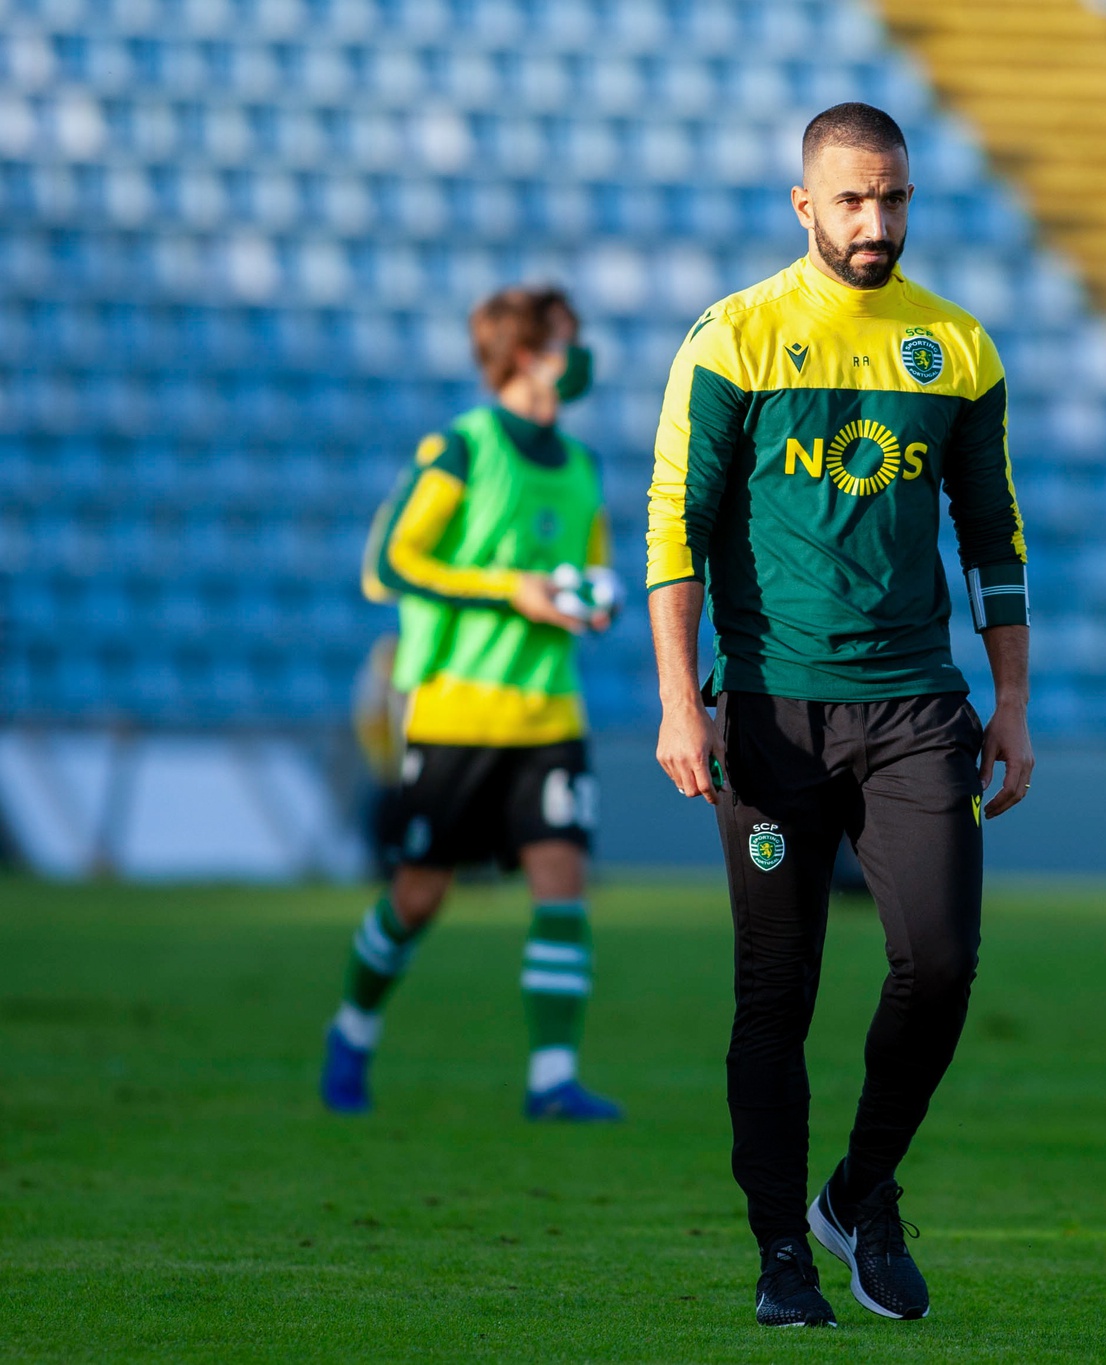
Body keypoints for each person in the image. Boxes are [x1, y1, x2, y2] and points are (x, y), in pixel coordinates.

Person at [646, 102, 1033, 1327]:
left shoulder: (957, 349)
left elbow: (994, 539)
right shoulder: (734, 340)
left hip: (917, 709)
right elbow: (674, 529)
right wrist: (677, 704)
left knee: (942, 965)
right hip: (767, 714)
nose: (878, 223)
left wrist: (1011, 700)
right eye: (854, 201)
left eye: (897, 199)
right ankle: (779, 1257)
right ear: (804, 206)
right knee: (777, 992)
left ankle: (860, 1192)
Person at [320, 284, 624, 1123]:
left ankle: (552, 1080)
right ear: (526, 353)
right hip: (457, 710)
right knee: (420, 893)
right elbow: (388, 563)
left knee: (562, 881)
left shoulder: (586, 466)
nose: (583, 356)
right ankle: (352, 1030)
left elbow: (586, 568)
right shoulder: (460, 447)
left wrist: (595, 600)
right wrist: (509, 592)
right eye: (569, 340)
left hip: (551, 711)